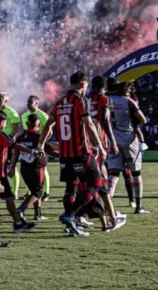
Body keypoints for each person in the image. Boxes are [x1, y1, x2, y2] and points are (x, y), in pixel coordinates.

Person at [37, 71, 107, 237]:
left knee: (71, 189)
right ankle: (71, 215)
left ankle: (71, 226)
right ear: (83, 84)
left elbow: (48, 126)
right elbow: (89, 124)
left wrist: (40, 145)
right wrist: (99, 145)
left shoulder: (59, 102)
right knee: (96, 183)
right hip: (81, 152)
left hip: (65, 154)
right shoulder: (81, 101)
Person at [0, 108, 40, 233]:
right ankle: (15, 223)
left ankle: (16, 222)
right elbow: (15, 145)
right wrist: (32, 151)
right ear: (1, 122)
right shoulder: (0, 134)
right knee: (6, 198)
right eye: (5, 121)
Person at [88, 75, 126, 231]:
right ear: (105, 87)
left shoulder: (85, 99)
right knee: (100, 180)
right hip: (98, 142)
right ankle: (110, 218)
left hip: (85, 142)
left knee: (87, 179)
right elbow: (104, 120)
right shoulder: (104, 99)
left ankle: (82, 217)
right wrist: (113, 141)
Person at [107, 81, 150, 215]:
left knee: (113, 174)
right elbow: (143, 120)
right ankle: (139, 206)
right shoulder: (129, 101)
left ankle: (107, 207)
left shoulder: (107, 99)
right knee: (136, 173)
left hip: (113, 140)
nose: (131, 90)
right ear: (126, 90)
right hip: (129, 140)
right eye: (129, 88)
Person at [106, 77, 135, 207]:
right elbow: (139, 119)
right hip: (125, 138)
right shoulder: (125, 100)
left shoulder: (105, 98)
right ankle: (132, 201)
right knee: (127, 172)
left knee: (111, 172)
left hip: (108, 139)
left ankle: (107, 201)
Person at [13, 114, 48, 221]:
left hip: (24, 168)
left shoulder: (20, 138)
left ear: (27, 123)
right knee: (38, 192)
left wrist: (12, 167)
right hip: (37, 168)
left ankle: (37, 214)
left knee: (34, 191)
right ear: (38, 124)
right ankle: (21, 209)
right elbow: (49, 147)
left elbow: (16, 153)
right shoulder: (39, 137)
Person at [18, 95, 51, 202]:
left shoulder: (43, 115)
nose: (28, 104)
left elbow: (49, 131)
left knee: (43, 168)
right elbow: (26, 131)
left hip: (40, 145)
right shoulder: (24, 115)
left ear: (37, 103)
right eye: (27, 102)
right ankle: (30, 192)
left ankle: (46, 193)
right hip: (29, 145)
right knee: (28, 169)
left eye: (30, 102)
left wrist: (42, 144)